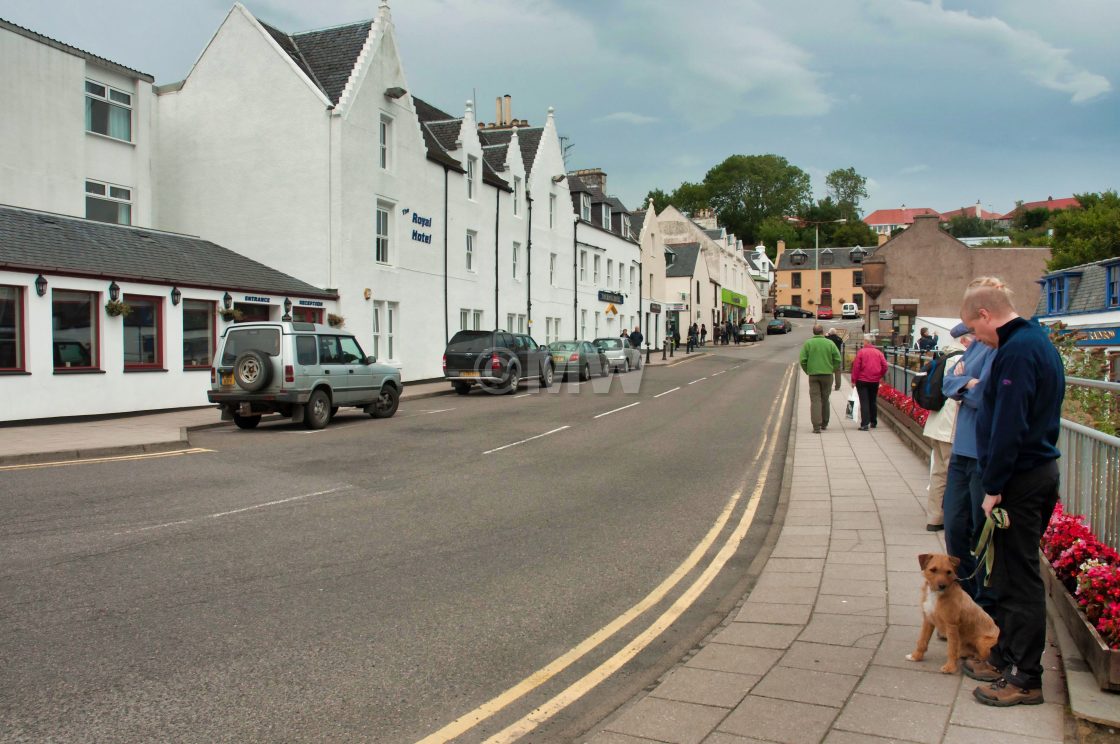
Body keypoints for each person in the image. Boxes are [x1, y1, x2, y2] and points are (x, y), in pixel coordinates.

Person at [959, 277, 1065, 708]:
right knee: (1004, 573)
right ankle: (1005, 655)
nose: (977, 338)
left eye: (975, 327)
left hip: (1019, 480)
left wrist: (994, 486)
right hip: (1029, 473)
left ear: (986, 314)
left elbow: (1009, 425)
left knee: (1019, 580)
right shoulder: (1033, 342)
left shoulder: (1017, 351)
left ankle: (1026, 676)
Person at [921, 331, 967, 532]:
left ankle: (934, 517)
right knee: (951, 473)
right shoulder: (960, 359)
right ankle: (951, 517)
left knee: (938, 471)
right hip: (950, 426)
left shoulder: (944, 356)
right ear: (965, 340)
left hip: (936, 423)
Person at [799, 324, 842, 434]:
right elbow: (838, 359)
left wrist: (808, 371)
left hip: (813, 375)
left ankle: (816, 426)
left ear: (813, 332)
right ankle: (824, 423)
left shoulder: (808, 343)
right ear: (822, 332)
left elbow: (803, 360)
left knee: (815, 400)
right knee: (825, 399)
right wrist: (832, 369)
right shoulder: (830, 343)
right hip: (827, 374)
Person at [849, 334, 888, 430]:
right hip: (874, 380)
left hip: (862, 380)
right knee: (872, 400)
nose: (863, 342)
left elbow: (856, 367)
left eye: (864, 340)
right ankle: (873, 422)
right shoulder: (879, 353)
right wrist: (880, 375)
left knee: (864, 401)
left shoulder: (861, 352)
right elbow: (885, 366)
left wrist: (854, 380)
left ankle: (865, 424)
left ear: (866, 341)